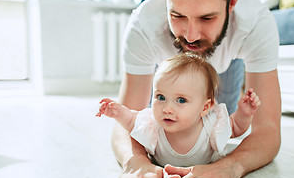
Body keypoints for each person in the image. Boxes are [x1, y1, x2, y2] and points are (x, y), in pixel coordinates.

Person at [110, 0, 281, 178]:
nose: (190, 36)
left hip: (226, 62)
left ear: (232, 2)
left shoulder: (256, 23)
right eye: (177, 15)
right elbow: (126, 123)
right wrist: (137, 162)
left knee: (216, 124)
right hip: (171, 72)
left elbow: (268, 130)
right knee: (162, 118)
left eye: (207, 18)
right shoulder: (144, 24)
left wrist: (230, 167)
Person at [97, 53, 260, 168]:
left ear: (205, 108)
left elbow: (236, 128)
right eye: (160, 97)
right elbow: (132, 120)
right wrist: (117, 111)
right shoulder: (153, 125)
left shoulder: (212, 123)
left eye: (181, 100)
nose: (167, 108)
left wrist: (244, 114)